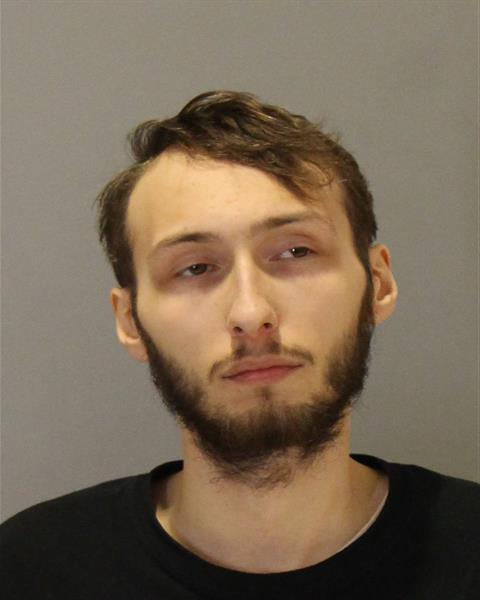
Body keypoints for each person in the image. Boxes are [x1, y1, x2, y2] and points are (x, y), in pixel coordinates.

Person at [1, 91, 478, 599]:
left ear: (378, 283)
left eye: (296, 251)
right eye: (195, 267)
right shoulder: (29, 573)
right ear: (131, 320)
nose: (251, 315)